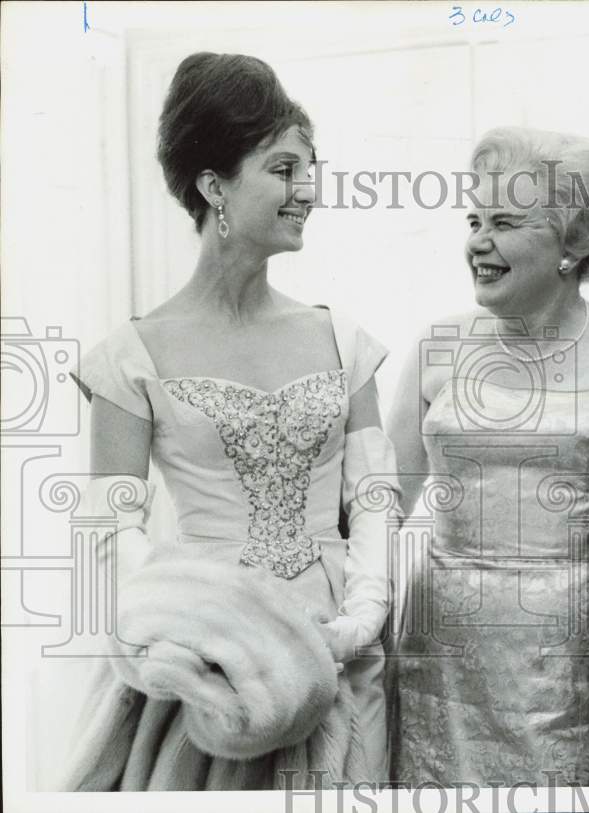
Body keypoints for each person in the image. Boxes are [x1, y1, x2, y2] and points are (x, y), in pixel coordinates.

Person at [62, 52, 399, 790]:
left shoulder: (343, 340)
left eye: (309, 170)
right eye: (283, 170)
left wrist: (361, 616)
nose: (305, 191)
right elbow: (110, 535)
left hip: (340, 647)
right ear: (214, 185)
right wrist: (204, 631)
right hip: (203, 665)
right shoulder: (130, 357)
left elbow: (375, 500)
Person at [387, 126, 589, 785]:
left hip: (573, 664)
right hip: (442, 659)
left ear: (572, 241)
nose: (477, 242)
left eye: (505, 222)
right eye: (474, 219)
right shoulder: (439, 342)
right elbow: (380, 505)